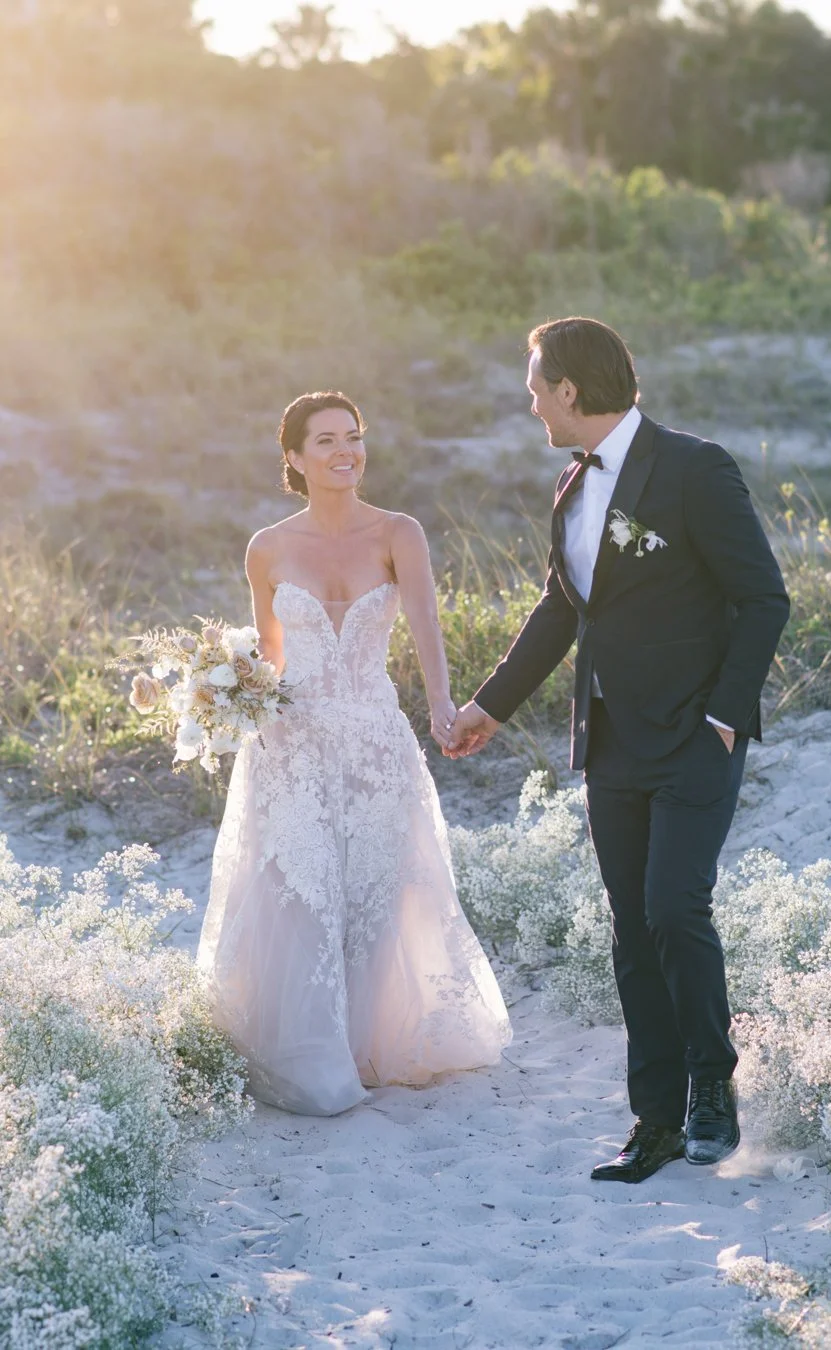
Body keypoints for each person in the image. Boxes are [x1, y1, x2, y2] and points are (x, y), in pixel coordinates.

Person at [447, 318, 789, 1182]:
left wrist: (724, 713)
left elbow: (763, 598)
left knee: (676, 907)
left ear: (569, 388)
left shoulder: (694, 468)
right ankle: (655, 1124)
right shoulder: (569, 486)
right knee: (633, 931)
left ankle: (714, 1088)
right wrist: (489, 706)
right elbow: (562, 609)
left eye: (535, 385)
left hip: (694, 734)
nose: (528, 401)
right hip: (611, 741)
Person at [197, 391, 511, 1115]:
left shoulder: (399, 533)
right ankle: (313, 1052)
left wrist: (441, 704)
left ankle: (373, 1043)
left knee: (379, 887)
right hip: (293, 749)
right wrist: (227, 697)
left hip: (375, 740)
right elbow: (267, 660)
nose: (346, 451)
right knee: (302, 893)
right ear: (295, 459)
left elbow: (427, 627)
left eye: (355, 437)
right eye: (328, 441)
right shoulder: (267, 548)